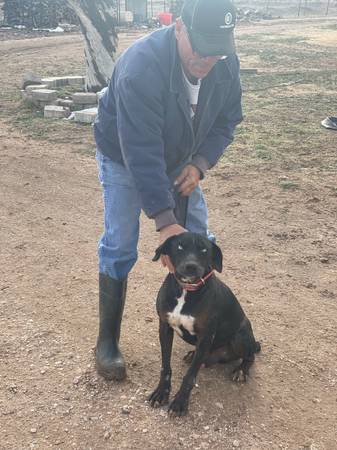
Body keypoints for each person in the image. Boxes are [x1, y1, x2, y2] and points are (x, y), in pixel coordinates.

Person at [93, 0, 243, 381]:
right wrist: (164, 221)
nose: (206, 59)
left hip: (182, 156)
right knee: (121, 242)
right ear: (179, 28)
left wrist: (200, 164)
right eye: (200, 48)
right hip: (125, 155)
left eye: (216, 50)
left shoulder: (224, 61)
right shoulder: (141, 67)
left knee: (199, 238)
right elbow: (141, 153)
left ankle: (195, 319)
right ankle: (106, 341)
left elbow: (228, 120)